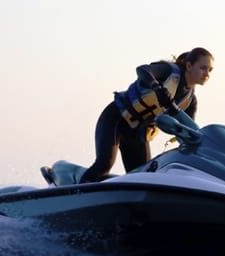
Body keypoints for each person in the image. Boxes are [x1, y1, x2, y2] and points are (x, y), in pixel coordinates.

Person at [79, 47, 214, 183]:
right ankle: (74, 194)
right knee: (104, 164)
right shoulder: (169, 71)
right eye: (203, 68)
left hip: (137, 132)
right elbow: (142, 70)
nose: (207, 73)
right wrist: (156, 87)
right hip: (116, 118)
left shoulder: (190, 101)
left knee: (143, 177)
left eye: (210, 70)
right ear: (189, 66)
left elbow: (188, 132)